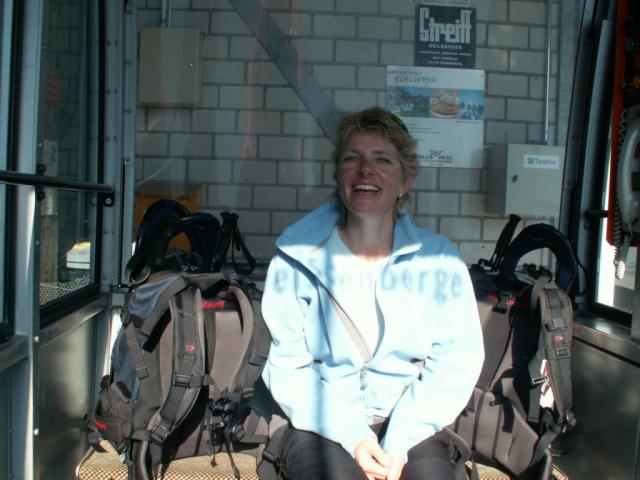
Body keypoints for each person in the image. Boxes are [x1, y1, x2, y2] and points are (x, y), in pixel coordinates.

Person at [260, 106, 484, 480]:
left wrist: (398, 441)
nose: (366, 169)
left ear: (405, 181)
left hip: (410, 425)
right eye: (353, 158)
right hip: (321, 426)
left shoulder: (440, 261)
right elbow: (288, 369)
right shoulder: (295, 259)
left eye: (383, 159)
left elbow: (455, 363)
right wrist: (354, 437)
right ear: (338, 175)